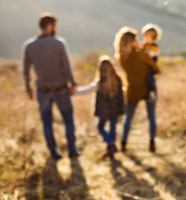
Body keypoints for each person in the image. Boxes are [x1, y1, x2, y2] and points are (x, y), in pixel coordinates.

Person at [22, 12, 81, 159]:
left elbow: (25, 70)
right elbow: (66, 67)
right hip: (60, 89)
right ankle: (72, 150)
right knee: (68, 119)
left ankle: (54, 152)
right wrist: (72, 83)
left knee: (47, 122)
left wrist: (28, 88)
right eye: (55, 26)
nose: (56, 29)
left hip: (42, 90)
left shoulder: (29, 45)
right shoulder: (59, 43)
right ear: (49, 26)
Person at [114, 26, 160, 153]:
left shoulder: (122, 58)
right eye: (136, 38)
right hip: (148, 87)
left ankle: (123, 143)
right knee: (151, 116)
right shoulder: (142, 55)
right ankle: (152, 143)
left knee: (128, 117)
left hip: (132, 88)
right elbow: (156, 68)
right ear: (132, 41)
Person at [75, 55, 125, 159]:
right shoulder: (118, 79)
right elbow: (122, 95)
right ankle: (111, 147)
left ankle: (111, 144)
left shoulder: (100, 82)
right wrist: (121, 108)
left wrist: (74, 91)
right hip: (115, 109)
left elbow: (87, 90)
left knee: (100, 127)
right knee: (112, 128)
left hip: (104, 110)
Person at [140, 23, 162, 102]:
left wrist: (144, 51)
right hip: (144, 66)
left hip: (151, 66)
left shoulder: (154, 47)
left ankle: (152, 91)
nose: (145, 38)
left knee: (149, 76)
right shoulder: (144, 45)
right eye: (144, 36)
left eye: (147, 36)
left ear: (153, 37)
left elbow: (151, 55)